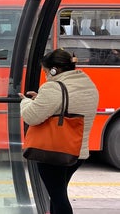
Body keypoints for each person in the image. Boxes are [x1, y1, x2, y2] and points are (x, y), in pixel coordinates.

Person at [19, 49, 99, 214]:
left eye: (46, 71)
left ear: (54, 69)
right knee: (57, 195)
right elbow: (65, 105)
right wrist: (40, 99)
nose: (46, 75)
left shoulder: (54, 87)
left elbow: (31, 117)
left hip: (53, 153)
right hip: (76, 153)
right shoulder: (87, 83)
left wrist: (26, 101)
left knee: (59, 198)